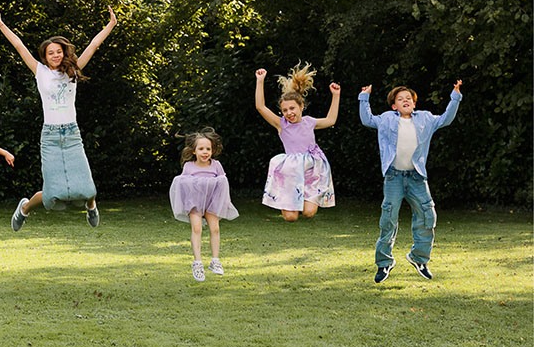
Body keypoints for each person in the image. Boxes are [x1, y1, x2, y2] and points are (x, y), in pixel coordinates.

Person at [0, 5, 117, 231]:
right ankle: (24, 209)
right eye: (51, 53)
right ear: (45, 56)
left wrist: (110, 25)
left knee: (88, 190)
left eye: (58, 51)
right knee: (51, 196)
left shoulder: (74, 70)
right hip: (49, 136)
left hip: (71, 134)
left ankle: (91, 206)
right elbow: (18, 46)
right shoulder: (40, 71)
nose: (55, 55)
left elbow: (94, 45)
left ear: (64, 52)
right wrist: (1, 24)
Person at [359, 80, 462, 283]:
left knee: (427, 216)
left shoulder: (425, 118)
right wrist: (364, 97)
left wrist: (455, 96)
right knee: (388, 219)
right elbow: (367, 119)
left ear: (414, 104)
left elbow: (446, 119)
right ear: (394, 106)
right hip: (394, 177)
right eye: (400, 99)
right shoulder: (387, 119)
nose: (405, 101)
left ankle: (419, 258)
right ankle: (384, 263)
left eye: (409, 99)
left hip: (416, 177)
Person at [254, 64, 340, 221]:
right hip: (291, 171)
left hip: (311, 169)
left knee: (308, 213)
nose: (289, 113)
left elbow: (330, 120)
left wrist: (336, 95)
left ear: (301, 107)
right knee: (290, 218)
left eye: (292, 108)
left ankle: (304, 198)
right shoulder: (281, 124)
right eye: (285, 110)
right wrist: (260, 81)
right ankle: (287, 198)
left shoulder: (309, 122)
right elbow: (260, 107)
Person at [169, 128, 238, 281]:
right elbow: (183, 183)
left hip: (212, 201)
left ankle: (215, 261)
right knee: (197, 228)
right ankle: (197, 262)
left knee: (215, 228)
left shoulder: (216, 165)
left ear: (213, 151)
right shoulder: (189, 166)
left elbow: (223, 183)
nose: (205, 152)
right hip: (194, 202)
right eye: (201, 149)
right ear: (194, 151)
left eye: (208, 149)